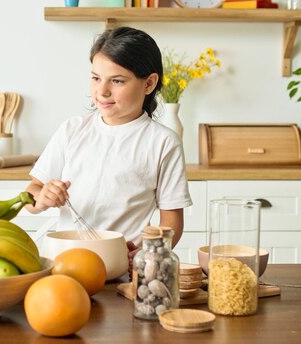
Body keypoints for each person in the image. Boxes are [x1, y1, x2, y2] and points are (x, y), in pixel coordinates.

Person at [25, 26, 192, 273]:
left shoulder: (163, 142)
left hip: (121, 270)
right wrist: (41, 199)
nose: (102, 91)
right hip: (66, 266)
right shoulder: (72, 130)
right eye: (96, 78)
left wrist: (150, 250)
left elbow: (172, 219)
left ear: (149, 84)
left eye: (117, 81)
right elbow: (30, 195)